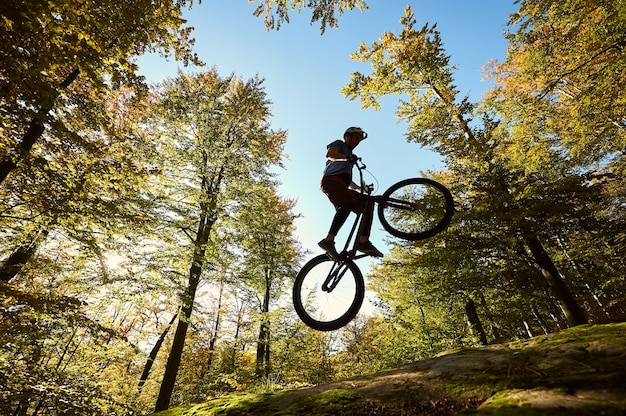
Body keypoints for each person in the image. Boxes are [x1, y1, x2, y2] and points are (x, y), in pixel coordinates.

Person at [318, 127, 383, 259]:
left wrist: (359, 188)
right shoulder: (339, 144)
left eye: (359, 140)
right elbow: (330, 154)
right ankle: (328, 240)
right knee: (347, 202)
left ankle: (363, 242)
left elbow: (347, 180)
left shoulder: (349, 157)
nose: (357, 142)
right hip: (330, 181)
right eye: (356, 138)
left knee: (368, 204)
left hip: (341, 183)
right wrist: (346, 157)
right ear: (347, 136)